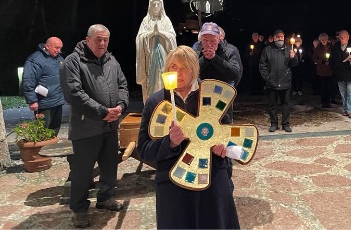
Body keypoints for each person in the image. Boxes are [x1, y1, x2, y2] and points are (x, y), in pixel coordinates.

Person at [137, 46, 239, 229]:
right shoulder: (156, 102)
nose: (178, 73)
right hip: (173, 187)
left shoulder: (211, 96)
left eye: (184, 67)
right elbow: (144, 150)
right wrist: (169, 143)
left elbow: (228, 135)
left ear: (194, 69)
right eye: (173, 67)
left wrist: (224, 148)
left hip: (212, 182)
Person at [61, 24, 129, 228]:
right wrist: (103, 112)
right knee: (82, 172)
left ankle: (106, 198)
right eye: (98, 39)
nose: (102, 43)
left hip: (110, 126)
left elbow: (123, 85)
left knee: (109, 165)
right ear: (87, 39)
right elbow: (73, 93)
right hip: (86, 127)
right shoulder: (72, 62)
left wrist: (121, 106)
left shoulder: (111, 61)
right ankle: (80, 209)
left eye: (105, 40)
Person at [194, 23, 241, 121]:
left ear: (219, 38)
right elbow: (190, 73)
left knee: (223, 123)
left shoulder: (230, 51)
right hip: (201, 95)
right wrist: (205, 59)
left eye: (212, 41)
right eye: (205, 40)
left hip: (222, 95)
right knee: (204, 125)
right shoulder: (195, 51)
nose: (209, 44)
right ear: (201, 39)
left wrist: (215, 58)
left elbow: (235, 74)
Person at [136, 0, 177, 103]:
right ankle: (151, 103)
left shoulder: (166, 21)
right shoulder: (146, 21)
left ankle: (166, 101)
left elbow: (172, 36)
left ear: (161, 5)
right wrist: (151, 34)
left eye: (158, 3)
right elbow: (139, 37)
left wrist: (160, 33)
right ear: (150, 5)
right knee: (151, 78)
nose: (156, 6)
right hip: (150, 55)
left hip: (164, 55)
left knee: (163, 75)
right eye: (153, 4)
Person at [21, 37, 65, 136]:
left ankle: (50, 148)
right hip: (44, 102)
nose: (59, 51)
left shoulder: (59, 59)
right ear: (47, 46)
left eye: (60, 48)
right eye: (56, 47)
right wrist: (32, 101)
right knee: (42, 130)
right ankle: (39, 150)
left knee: (55, 129)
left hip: (58, 101)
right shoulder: (35, 59)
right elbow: (28, 80)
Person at [259, 29, 298, 132]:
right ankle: (274, 123)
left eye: (282, 37)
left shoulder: (289, 49)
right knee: (272, 105)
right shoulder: (267, 49)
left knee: (286, 104)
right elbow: (262, 65)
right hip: (272, 83)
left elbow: (294, 64)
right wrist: (268, 78)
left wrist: (293, 57)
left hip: (285, 82)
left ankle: (285, 123)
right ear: (274, 38)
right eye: (278, 37)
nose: (280, 39)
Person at [330, 30, 351, 118]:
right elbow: (331, 60)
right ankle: (345, 109)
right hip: (340, 73)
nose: (342, 38)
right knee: (343, 93)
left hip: (350, 72)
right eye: (340, 37)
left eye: (344, 37)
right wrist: (334, 68)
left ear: (348, 37)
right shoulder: (335, 47)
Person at [313, 33, 335, 108]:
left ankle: (328, 102)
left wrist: (330, 62)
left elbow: (335, 57)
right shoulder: (318, 47)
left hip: (329, 70)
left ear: (327, 39)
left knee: (329, 87)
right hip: (321, 71)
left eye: (325, 39)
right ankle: (323, 102)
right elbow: (315, 58)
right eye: (322, 40)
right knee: (323, 87)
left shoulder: (331, 47)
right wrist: (321, 62)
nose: (323, 41)